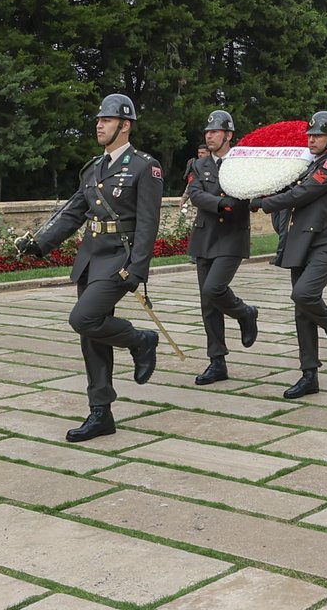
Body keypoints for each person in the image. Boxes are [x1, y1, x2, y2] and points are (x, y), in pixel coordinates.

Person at [15, 94, 162, 442]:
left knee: (83, 318)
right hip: (91, 258)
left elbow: (148, 223)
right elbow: (72, 212)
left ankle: (142, 340)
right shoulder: (94, 168)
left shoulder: (144, 166)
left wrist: (137, 269)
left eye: (107, 120)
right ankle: (101, 413)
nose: (99, 125)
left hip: (119, 259)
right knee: (91, 337)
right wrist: (40, 244)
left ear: (125, 126)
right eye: (99, 120)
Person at [251, 110, 327, 398]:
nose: (312, 140)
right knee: (303, 312)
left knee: (304, 295)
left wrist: (262, 203)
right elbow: (291, 189)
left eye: (318, 135)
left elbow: (301, 194)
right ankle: (309, 375)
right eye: (310, 135)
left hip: (325, 243)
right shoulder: (309, 164)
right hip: (302, 244)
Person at [184, 110, 258, 386]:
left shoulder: (242, 164)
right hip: (205, 237)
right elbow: (195, 194)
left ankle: (244, 312)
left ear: (228, 135)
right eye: (207, 132)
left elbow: (243, 198)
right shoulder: (199, 165)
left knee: (213, 289)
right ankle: (217, 361)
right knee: (208, 303)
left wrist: (222, 201)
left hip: (231, 236)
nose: (209, 136)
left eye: (215, 132)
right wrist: (219, 202)